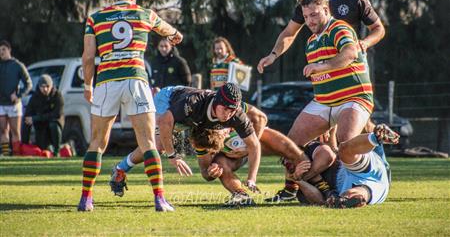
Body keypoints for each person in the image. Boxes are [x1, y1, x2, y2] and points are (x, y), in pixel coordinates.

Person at [77, 0, 183, 212]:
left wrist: (87, 85)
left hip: (106, 83)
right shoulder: (144, 13)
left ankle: (86, 199)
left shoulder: (95, 18)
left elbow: (87, 57)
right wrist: (176, 35)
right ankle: (159, 199)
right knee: (147, 142)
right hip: (136, 80)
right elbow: (169, 31)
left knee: (96, 143)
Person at [258, 0, 374, 199]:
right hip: (324, 102)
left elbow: (350, 53)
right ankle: (291, 188)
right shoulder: (311, 41)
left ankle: (362, 181)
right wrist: (272, 55)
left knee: (345, 141)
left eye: (314, 15)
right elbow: (288, 35)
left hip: (354, 97)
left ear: (326, 10)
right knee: (291, 143)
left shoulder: (339, 28)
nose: (309, 21)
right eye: (306, 16)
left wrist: (323, 65)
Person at [109, 83, 262, 199]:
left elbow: (254, 146)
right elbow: (164, 122)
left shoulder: (237, 115)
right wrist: (173, 156)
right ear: (216, 101)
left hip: (189, 118)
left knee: (161, 144)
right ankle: (120, 170)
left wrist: (251, 179)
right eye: (225, 109)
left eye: (232, 110)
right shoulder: (194, 103)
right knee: (157, 146)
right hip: (168, 99)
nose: (228, 114)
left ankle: (121, 168)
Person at [193, 126, 334, 207]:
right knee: (219, 164)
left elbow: (261, 117)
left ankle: (322, 191)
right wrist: (212, 173)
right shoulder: (202, 137)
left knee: (292, 151)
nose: (224, 133)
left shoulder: (238, 113)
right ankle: (241, 195)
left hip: (257, 140)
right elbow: (205, 173)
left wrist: (251, 146)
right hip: (233, 158)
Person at [291, 124, 399, 208]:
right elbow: (319, 200)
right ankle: (350, 200)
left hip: (357, 168)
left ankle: (376, 136)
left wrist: (333, 128)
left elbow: (331, 152)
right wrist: (297, 179)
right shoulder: (304, 184)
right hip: (357, 184)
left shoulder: (316, 154)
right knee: (351, 193)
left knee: (344, 150)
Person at [0, 40, 32, 156]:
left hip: (14, 104)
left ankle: (17, 154)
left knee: (15, 131)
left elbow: (29, 84)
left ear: (9, 50)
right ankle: (5, 155)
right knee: (3, 130)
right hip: (1, 104)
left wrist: (19, 96)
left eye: (3, 49)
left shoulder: (17, 65)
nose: (1, 52)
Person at [24, 74, 64, 156]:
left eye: (47, 86)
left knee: (53, 124)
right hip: (41, 126)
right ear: (38, 87)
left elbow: (56, 114)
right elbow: (28, 114)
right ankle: (24, 148)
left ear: (52, 85)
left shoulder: (57, 96)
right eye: (42, 86)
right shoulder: (35, 97)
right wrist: (30, 119)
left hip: (54, 125)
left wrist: (35, 118)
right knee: (26, 122)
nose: (45, 89)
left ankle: (57, 151)